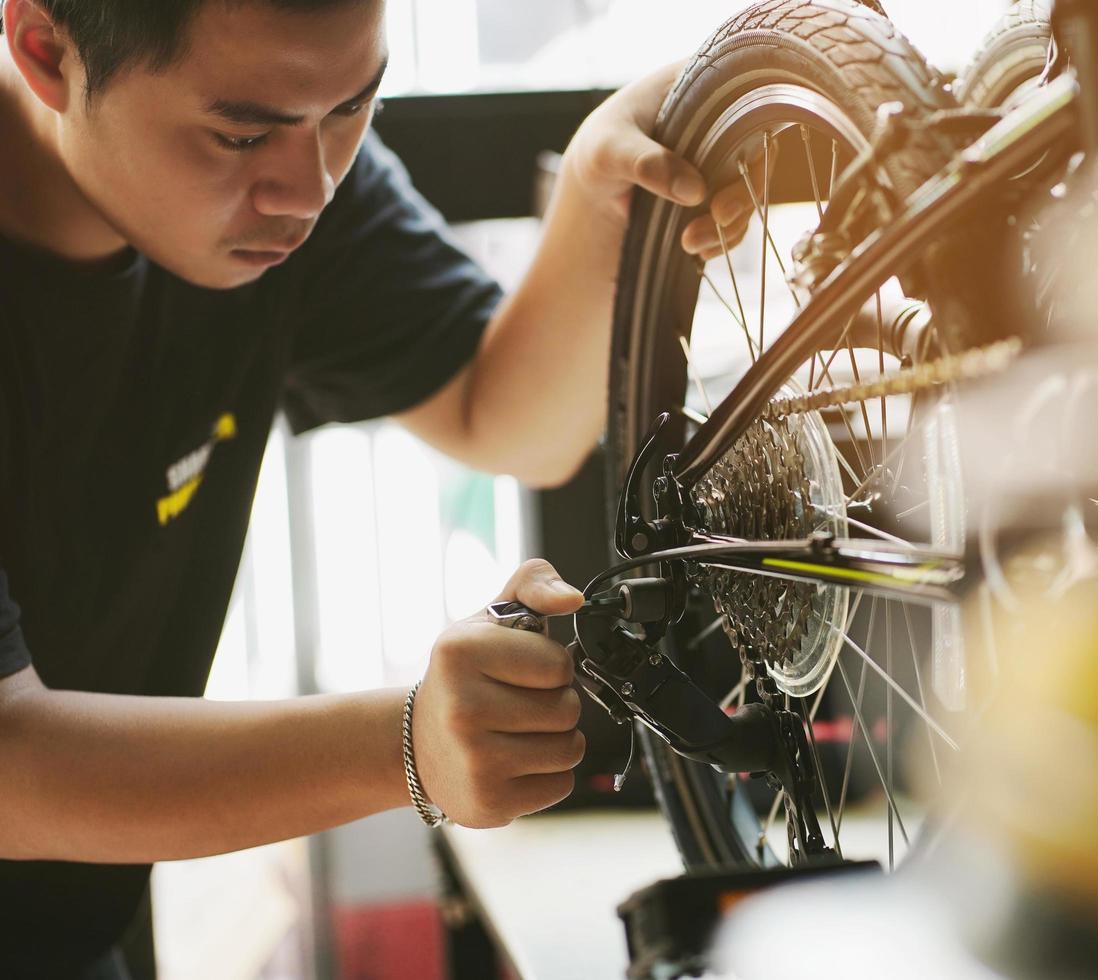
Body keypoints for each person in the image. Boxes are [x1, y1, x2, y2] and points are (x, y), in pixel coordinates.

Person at [0, 0, 754, 974]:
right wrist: (409, 743)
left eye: (352, 107)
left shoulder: (291, 187)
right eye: (238, 133)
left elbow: (506, 415)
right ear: (45, 50)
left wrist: (599, 193)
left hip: (75, 920)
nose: (305, 189)